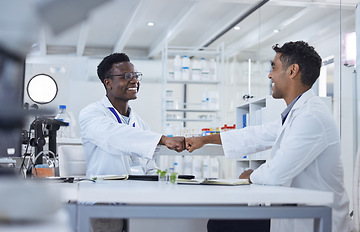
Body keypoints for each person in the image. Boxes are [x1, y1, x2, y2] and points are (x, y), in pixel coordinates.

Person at [185, 41, 353, 232]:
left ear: (292, 71)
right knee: (221, 221)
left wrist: (251, 176)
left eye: (274, 67)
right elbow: (255, 135)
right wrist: (204, 139)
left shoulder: (311, 117)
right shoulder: (297, 114)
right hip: (295, 215)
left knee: (222, 224)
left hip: (317, 222)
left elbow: (277, 173)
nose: (269, 75)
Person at [79, 52, 185, 177]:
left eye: (135, 76)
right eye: (127, 76)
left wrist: (164, 180)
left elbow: (149, 168)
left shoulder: (141, 124)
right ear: (108, 83)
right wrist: (163, 139)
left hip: (134, 192)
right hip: (102, 191)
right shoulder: (91, 114)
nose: (134, 81)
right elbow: (114, 136)